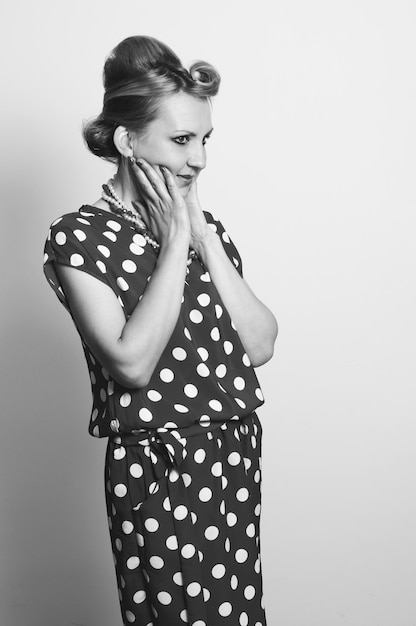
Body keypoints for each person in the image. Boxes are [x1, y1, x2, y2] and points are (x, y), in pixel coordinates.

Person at [43, 35, 278, 626]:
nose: (198, 159)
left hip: (231, 457)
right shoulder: (79, 237)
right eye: (180, 140)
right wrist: (175, 240)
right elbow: (132, 363)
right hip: (158, 468)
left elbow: (261, 343)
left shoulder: (207, 231)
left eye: (204, 140)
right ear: (127, 141)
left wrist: (198, 234)